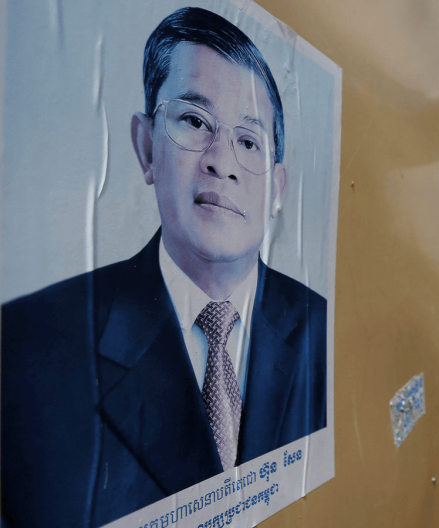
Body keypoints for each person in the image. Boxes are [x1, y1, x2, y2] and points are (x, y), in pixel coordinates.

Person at [1, 8, 327, 527]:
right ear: (147, 146)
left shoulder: (322, 327)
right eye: (195, 122)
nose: (222, 162)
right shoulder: (25, 349)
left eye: (249, 141)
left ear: (277, 191)